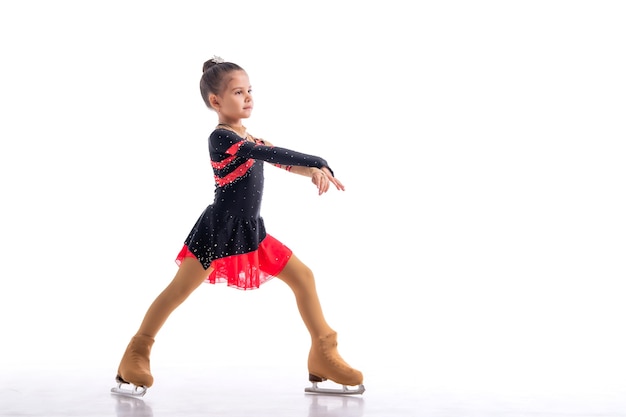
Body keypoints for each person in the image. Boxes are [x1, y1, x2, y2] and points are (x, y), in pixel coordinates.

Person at [111, 56, 364, 397]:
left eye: (249, 91)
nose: (247, 97)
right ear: (215, 101)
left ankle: (323, 352)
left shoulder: (250, 138)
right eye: (238, 92)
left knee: (304, 277)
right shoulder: (221, 138)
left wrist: (312, 172)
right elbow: (269, 155)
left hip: (250, 232)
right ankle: (136, 353)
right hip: (217, 233)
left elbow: (278, 159)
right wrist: (317, 161)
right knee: (178, 292)